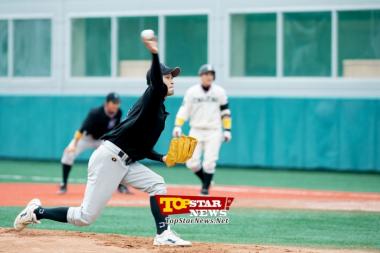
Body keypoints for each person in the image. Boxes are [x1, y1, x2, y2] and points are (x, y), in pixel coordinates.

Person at [14, 33, 192, 246]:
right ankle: (36, 212)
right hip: (110, 159)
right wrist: (154, 54)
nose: (172, 80)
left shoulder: (157, 109)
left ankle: (164, 234)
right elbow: (155, 81)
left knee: (157, 184)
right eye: (168, 77)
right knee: (84, 217)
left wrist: (163, 158)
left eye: (173, 77)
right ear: (155, 81)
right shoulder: (152, 96)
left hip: (126, 161)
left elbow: (142, 147)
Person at [172, 64, 232, 195]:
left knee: (209, 162)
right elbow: (184, 110)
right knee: (192, 163)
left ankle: (205, 189)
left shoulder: (219, 92)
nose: (209, 76)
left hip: (214, 130)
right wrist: (178, 125)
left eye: (211, 74)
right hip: (196, 130)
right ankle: (207, 181)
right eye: (206, 74)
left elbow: (225, 112)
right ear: (200, 76)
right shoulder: (192, 92)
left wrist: (227, 129)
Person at [59, 93, 130, 195]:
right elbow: (82, 129)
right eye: (113, 102)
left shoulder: (118, 113)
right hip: (87, 138)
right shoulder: (95, 113)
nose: (116, 105)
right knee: (68, 154)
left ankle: (121, 186)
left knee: (117, 157)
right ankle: (63, 184)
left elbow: (116, 130)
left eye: (117, 103)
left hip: (102, 140)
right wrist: (73, 144)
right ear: (106, 103)